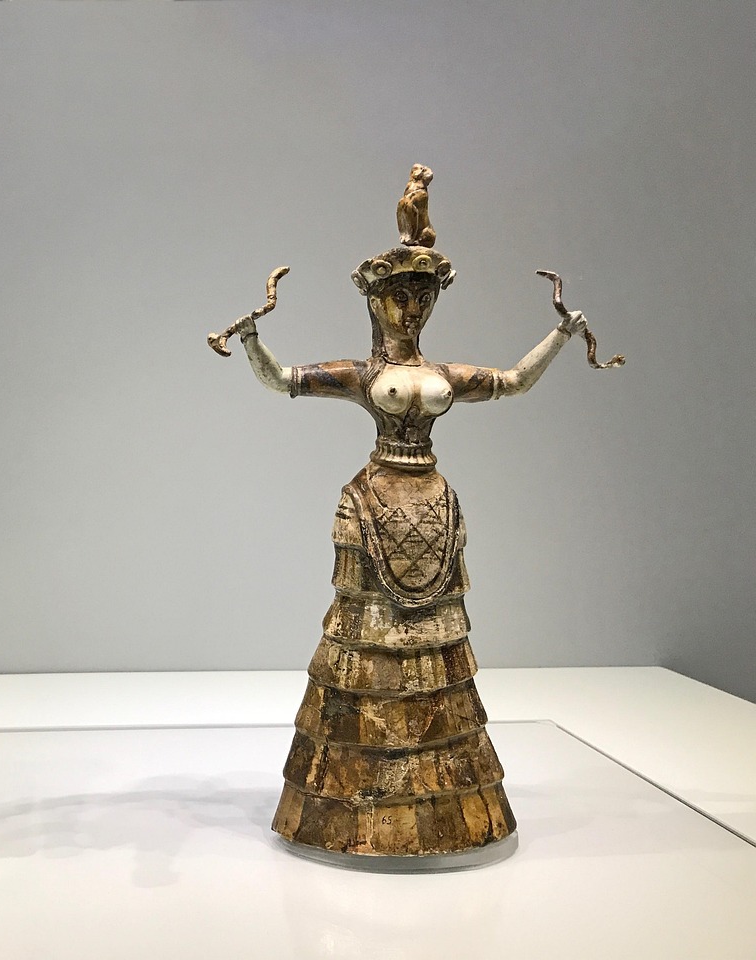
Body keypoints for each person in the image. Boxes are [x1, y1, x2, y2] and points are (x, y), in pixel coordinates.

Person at [231, 166, 586, 866]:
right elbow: (283, 380)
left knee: (432, 643)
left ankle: (439, 809)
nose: (412, 310)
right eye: (400, 297)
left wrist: (562, 335)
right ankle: (355, 809)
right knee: (366, 634)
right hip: (373, 502)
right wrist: (250, 338)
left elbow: (514, 381)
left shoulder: (443, 374)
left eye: (423, 299)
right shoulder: (363, 376)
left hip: (432, 500)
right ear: (376, 301)